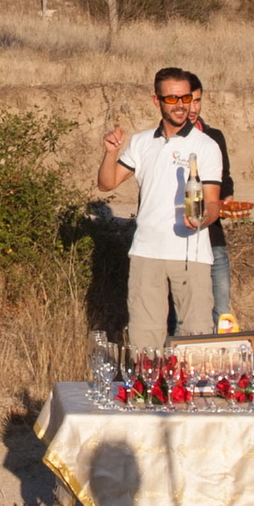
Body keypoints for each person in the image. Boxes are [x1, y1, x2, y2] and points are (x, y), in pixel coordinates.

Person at [97, 67, 222, 351]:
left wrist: (203, 217)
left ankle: (194, 395)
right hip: (146, 252)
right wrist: (111, 152)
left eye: (186, 98)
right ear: (157, 101)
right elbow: (107, 183)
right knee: (144, 342)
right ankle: (149, 392)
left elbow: (213, 202)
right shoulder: (141, 142)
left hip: (191, 254)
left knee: (196, 340)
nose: (181, 106)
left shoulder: (206, 146)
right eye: (172, 99)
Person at [185, 71, 236, 330]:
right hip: (181, 237)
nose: (192, 108)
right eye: (188, 101)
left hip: (213, 234)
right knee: (181, 310)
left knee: (223, 306)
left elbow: (224, 176)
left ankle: (224, 362)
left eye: (197, 101)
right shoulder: (170, 139)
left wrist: (227, 197)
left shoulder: (214, 136)